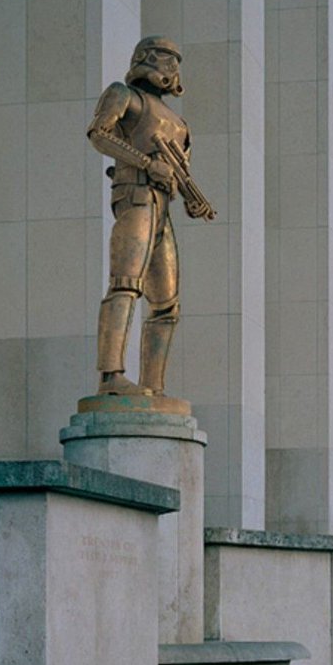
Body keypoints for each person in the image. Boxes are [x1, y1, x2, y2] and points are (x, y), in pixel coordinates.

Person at [87, 35, 216, 397]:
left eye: (176, 59)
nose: (172, 66)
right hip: (135, 194)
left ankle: (153, 387)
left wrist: (192, 200)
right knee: (125, 283)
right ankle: (111, 377)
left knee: (166, 304)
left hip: (163, 205)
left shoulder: (180, 123)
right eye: (165, 57)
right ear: (145, 58)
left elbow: (180, 173)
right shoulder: (124, 95)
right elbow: (98, 134)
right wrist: (145, 163)